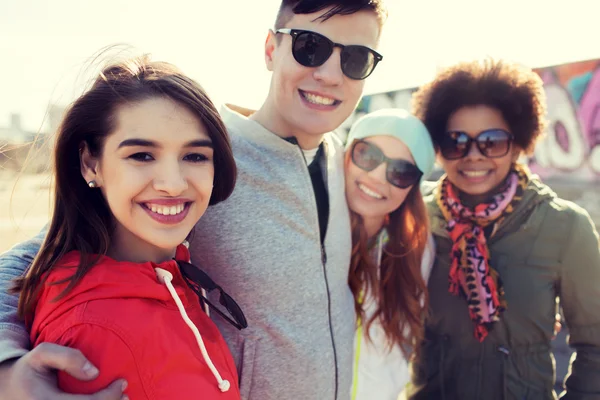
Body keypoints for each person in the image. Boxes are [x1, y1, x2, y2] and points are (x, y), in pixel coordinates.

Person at [0, 1, 388, 399]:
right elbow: (35, 257)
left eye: (356, 59)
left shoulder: (344, 162)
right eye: (311, 46)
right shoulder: (200, 159)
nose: (329, 75)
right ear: (271, 49)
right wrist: (6, 366)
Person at [10, 55, 242, 399]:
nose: (173, 184)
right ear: (91, 164)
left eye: (194, 156)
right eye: (141, 155)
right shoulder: (92, 329)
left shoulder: (172, 276)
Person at [408, 58, 600, 399]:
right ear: (439, 147)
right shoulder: (414, 218)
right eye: (456, 141)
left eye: (492, 141)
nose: (474, 155)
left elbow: (596, 346)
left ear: (518, 143)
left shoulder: (565, 226)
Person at [344, 109, 436, 400]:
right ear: (347, 154)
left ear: (413, 187)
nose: (377, 177)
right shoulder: (308, 232)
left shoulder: (416, 251)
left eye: (400, 171)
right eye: (368, 156)